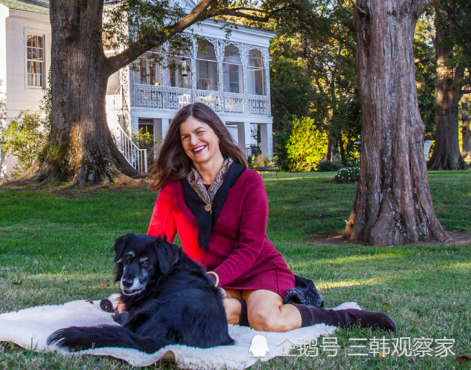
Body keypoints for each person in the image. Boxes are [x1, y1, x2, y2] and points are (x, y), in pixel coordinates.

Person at [146, 103, 397, 332]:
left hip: (257, 270)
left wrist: (211, 280)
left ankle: (342, 316)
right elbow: (155, 244)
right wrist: (143, 288)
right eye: (185, 137)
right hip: (210, 277)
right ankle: (242, 311)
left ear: (216, 133)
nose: (194, 141)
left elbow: (250, 247)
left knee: (266, 320)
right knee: (196, 313)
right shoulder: (174, 187)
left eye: (200, 132)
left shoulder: (248, 181)